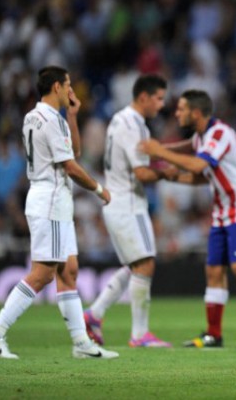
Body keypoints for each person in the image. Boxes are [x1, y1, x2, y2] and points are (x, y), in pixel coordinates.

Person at [0, 66, 119, 359]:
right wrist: (99, 190)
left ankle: (81, 343)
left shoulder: (39, 116)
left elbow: (74, 153)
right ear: (56, 86)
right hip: (50, 198)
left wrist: (72, 115)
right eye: (68, 85)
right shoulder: (48, 120)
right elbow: (70, 166)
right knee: (43, 273)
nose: (71, 91)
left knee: (69, 271)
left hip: (54, 199)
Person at [138, 89, 236, 349]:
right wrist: (167, 168)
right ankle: (213, 334)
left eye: (181, 109)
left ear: (196, 113)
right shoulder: (201, 138)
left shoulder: (220, 134)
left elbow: (199, 166)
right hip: (222, 212)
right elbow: (201, 174)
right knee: (213, 270)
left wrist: (160, 151)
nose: (176, 113)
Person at [83, 75, 173, 348]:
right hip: (128, 204)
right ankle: (139, 334)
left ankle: (94, 314)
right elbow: (142, 173)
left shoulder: (119, 120)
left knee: (134, 265)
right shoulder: (133, 125)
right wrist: (170, 170)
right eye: (158, 98)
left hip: (117, 201)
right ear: (143, 96)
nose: (161, 104)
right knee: (145, 263)